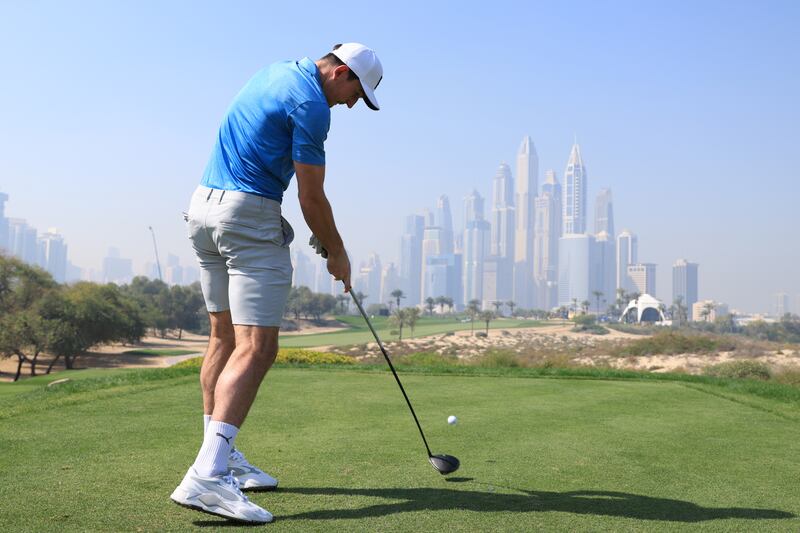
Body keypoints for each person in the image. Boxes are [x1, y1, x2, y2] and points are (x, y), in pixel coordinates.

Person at [170, 43, 383, 524]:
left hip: (202, 209)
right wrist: (339, 252)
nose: (352, 104)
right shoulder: (311, 104)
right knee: (258, 347)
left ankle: (221, 458)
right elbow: (311, 196)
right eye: (356, 92)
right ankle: (208, 475)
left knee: (223, 337)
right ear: (341, 72)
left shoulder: (273, 72)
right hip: (247, 214)